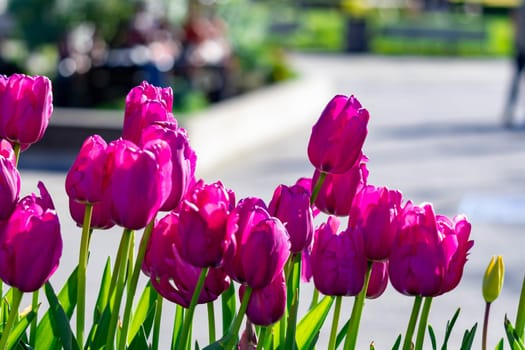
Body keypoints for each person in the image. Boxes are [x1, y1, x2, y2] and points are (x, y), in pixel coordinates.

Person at [503, 0, 525, 128]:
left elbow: (513, 22)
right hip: (521, 49)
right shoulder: (520, 7)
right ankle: (509, 112)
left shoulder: (520, 7)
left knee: (515, 83)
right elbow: (514, 23)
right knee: (515, 83)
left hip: (520, 47)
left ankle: (509, 112)